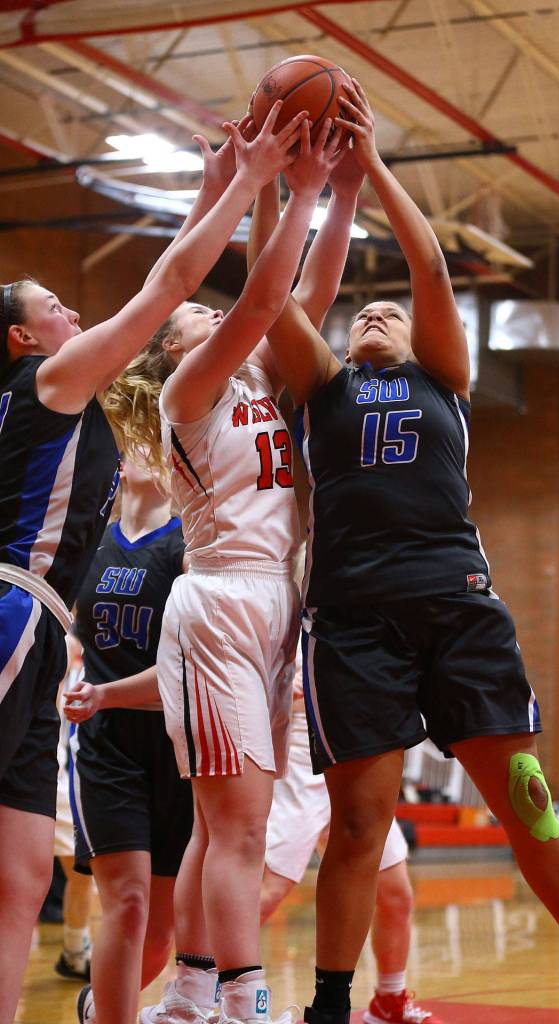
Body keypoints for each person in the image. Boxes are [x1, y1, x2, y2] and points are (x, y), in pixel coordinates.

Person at [260, 79, 559, 1024]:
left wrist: (372, 171)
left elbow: (432, 273)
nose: (372, 315)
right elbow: (275, 296)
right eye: (359, 313)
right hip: (353, 618)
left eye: (385, 314)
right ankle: (328, 1004)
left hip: (457, 600)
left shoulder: (445, 378)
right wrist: (285, 192)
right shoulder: (320, 386)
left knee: (523, 792)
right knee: (357, 825)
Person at [0, 100, 306, 1024]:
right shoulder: (49, 382)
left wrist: (220, 189)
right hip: (14, 604)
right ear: (22, 337)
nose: (71, 308)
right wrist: (246, 186)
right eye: (53, 306)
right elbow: (167, 290)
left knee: (19, 877)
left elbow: (186, 292)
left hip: (51, 630)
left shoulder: (63, 388)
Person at [69, 129, 366, 1024]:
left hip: (277, 601)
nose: (214, 307)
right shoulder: (185, 392)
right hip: (221, 604)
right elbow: (270, 290)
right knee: (235, 828)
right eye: (198, 308)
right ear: (173, 344)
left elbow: (302, 293)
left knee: (215, 826)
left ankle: (193, 990)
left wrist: (339, 192)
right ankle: (245, 1000)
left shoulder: (262, 378)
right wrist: (288, 182)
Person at [63, 451, 192, 1024]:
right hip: (105, 746)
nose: (146, 450)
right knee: (128, 900)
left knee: (160, 934)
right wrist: (68, 674)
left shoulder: (189, 544)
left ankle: (98, 1007)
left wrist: (107, 692)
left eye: (157, 439)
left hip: (173, 744)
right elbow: (70, 631)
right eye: (134, 438)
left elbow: (185, 670)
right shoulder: (89, 538)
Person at [261, 646, 439, 1024]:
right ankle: (196, 986)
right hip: (300, 754)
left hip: (357, 749)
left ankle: (389, 1000)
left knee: (396, 893)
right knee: (267, 892)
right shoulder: (286, 601)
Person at [54, 635, 94, 982]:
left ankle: (75, 950)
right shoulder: (63, 640)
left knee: (82, 871)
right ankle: (75, 949)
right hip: (50, 773)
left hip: (63, 772)